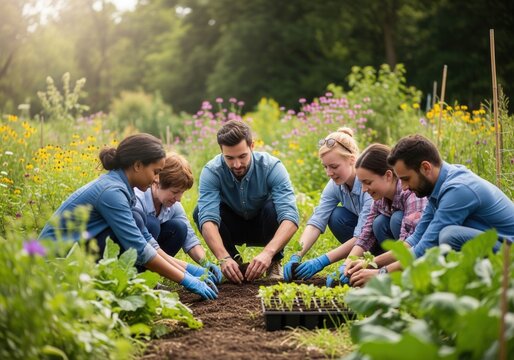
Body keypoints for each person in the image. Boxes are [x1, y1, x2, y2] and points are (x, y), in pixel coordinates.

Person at [38, 133, 218, 300]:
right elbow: (140, 249)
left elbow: (147, 241)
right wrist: (186, 280)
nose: (156, 179)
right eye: (155, 171)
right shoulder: (112, 192)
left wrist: (190, 270)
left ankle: (124, 285)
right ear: (138, 165)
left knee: (140, 221)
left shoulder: (124, 189)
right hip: (54, 267)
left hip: (77, 257)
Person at [347, 134, 514, 286]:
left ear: (426, 168)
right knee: (445, 236)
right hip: (495, 246)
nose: (404, 187)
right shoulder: (438, 186)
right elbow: (416, 239)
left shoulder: (458, 190)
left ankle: (474, 287)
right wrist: (370, 263)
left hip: (509, 253)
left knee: (449, 236)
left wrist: (381, 274)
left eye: (406, 179)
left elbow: (427, 246)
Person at [193, 120, 299, 284]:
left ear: (252, 146)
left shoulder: (272, 167)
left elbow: (290, 218)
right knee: (199, 211)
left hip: (264, 227)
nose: (236, 164)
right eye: (229, 158)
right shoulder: (211, 171)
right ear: (221, 151)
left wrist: (268, 253)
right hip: (232, 227)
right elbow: (207, 220)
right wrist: (223, 258)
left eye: (242, 156)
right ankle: (234, 263)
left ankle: (274, 263)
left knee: (274, 209)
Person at [326, 143, 427, 286]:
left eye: (367, 182)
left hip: (419, 252)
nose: (364, 189)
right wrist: (347, 264)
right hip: (401, 248)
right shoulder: (379, 199)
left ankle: (400, 272)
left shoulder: (411, 193)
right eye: (361, 183)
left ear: (388, 175)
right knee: (378, 223)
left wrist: (369, 263)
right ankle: (390, 268)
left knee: (395, 219)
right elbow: (365, 235)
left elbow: (410, 243)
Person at [283, 127, 373, 282]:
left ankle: (374, 261)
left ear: (352, 160)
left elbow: (363, 234)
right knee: (336, 216)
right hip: (365, 238)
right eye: (325, 167)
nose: (328, 172)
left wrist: (323, 261)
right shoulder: (335, 185)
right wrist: (296, 254)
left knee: (374, 223)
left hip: (382, 234)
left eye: (334, 166)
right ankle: (361, 259)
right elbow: (317, 221)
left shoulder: (369, 185)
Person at [134, 153, 222, 284]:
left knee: (179, 228)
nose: (179, 198)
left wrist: (205, 263)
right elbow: (141, 242)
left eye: (182, 192)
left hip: (152, 252)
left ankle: (149, 277)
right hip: (132, 250)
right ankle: (134, 276)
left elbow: (190, 239)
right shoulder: (138, 198)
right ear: (157, 182)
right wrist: (185, 272)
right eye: (175, 192)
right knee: (152, 224)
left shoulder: (174, 205)